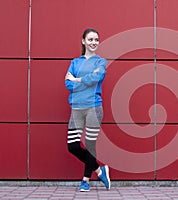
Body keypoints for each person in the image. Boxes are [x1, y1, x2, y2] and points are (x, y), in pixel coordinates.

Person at [65, 28, 110, 192]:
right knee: (73, 146)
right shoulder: (75, 62)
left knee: (90, 145)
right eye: (90, 39)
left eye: (96, 40)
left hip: (94, 107)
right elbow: (68, 84)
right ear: (83, 41)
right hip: (76, 108)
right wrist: (82, 81)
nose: (94, 43)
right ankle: (99, 170)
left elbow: (96, 78)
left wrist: (77, 79)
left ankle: (85, 180)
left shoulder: (101, 62)